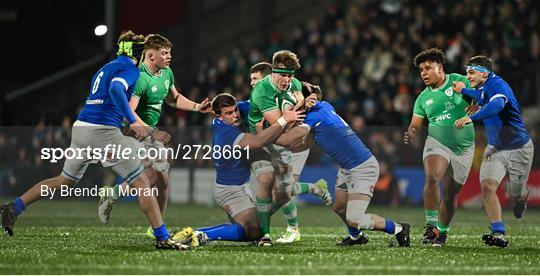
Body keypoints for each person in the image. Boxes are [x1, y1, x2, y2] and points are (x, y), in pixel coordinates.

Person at [0, 31, 186, 250]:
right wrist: (132, 121)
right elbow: (116, 88)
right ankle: (162, 237)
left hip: (82, 129)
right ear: (136, 52)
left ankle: (15, 207)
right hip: (103, 131)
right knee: (142, 182)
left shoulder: (105, 67)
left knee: (64, 181)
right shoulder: (129, 70)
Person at [97, 34, 211, 239]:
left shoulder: (166, 73)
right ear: (150, 56)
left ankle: (151, 223)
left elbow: (174, 98)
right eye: (164, 53)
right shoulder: (139, 77)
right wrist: (150, 131)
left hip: (149, 131)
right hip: (130, 132)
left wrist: (197, 107)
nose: (169, 57)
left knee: (163, 180)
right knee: (145, 175)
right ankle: (158, 228)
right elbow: (129, 112)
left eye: (170, 53)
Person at [274, 90, 411, 247]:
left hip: (363, 168)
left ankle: (399, 229)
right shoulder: (324, 106)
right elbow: (303, 143)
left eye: (291, 105)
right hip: (347, 168)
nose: (290, 109)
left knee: (355, 219)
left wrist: (267, 133)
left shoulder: (313, 116)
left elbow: (286, 140)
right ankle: (357, 237)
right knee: (339, 207)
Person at [173, 93, 304, 245]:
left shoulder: (222, 120)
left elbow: (254, 103)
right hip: (230, 191)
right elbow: (258, 141)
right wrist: (283, 120)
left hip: (242, 186)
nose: (236, 115)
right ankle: (201, 234)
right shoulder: (227, 134)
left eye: (235, 110)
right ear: (219, 116)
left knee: (271, 198)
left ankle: (195, 233)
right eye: (229, 113)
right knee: (253, 230)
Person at [243, 62, 331, 244]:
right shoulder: (258, 97)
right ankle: (266, 231)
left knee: (283, 193)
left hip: (295, 146)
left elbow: (315, 98)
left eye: (255, 79)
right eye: (251, 79)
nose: (252, 83)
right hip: (272, 146)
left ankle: (288, 227)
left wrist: (310, 100)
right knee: (274, 189)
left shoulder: (293, 87)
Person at [453, 55, 534, 248]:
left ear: (484, 73)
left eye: (471, 72)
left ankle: (522, 197)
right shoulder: (484, 85)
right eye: (467, 72)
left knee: (515, 194)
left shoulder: (498, 85)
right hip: (495, 148)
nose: (468, 76)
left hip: (519, 149)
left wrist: (471, 118)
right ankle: (498, 232)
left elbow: (497, 104)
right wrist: (463, 90)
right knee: (487, 187)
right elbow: (481, 95)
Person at [404, 48, 475, 246]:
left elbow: (482, 95)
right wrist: (411, 132)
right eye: (421, 70)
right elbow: (415, 123)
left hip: (464, 146)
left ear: (440, 67)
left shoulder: (460, 81)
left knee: (451, 192)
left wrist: (477, 105)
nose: (424, 73)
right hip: (437, 142)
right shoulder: (422, 98)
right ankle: (430, 225)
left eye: (427, 68)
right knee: (432, 176)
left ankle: (442, 232)